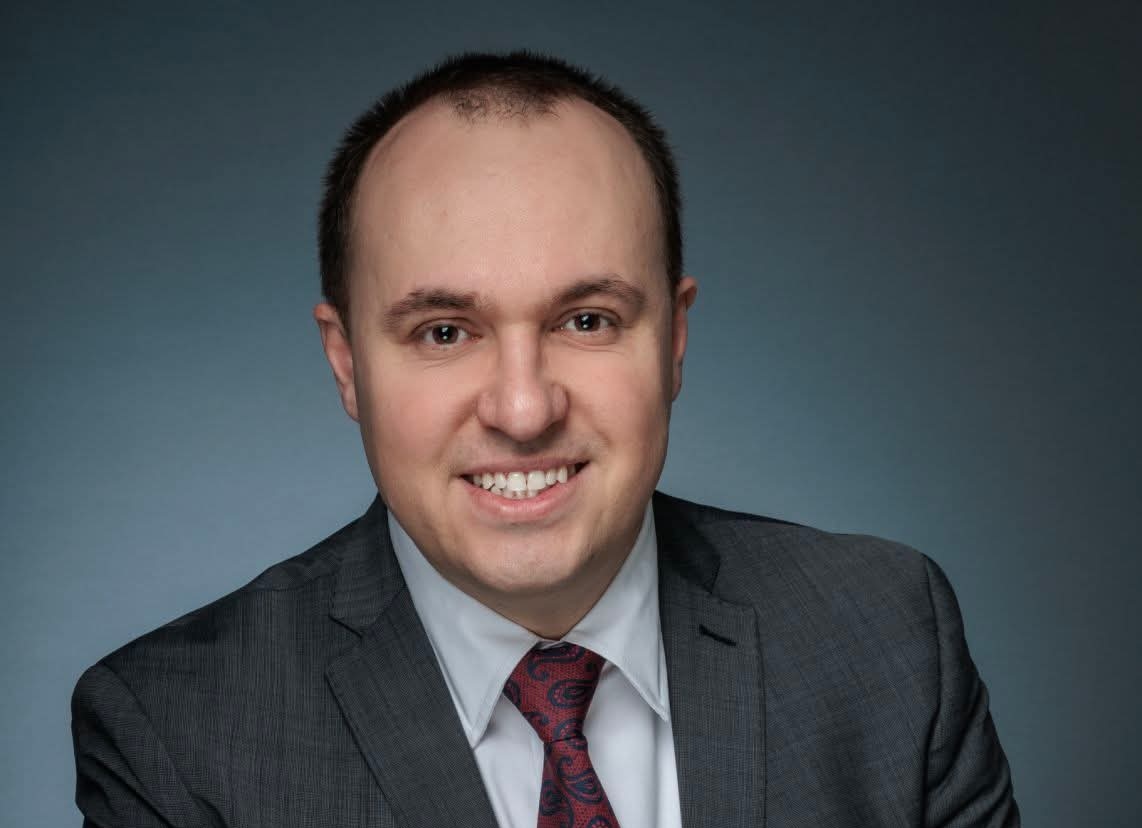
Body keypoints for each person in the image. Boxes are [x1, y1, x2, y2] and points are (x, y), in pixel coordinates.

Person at [71, 51, 1019, 827]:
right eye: (445, 332)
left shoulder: (886, 639)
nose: (523, 411)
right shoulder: (176, 730)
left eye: (587, 320)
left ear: (674, 341)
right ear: (347, 363)